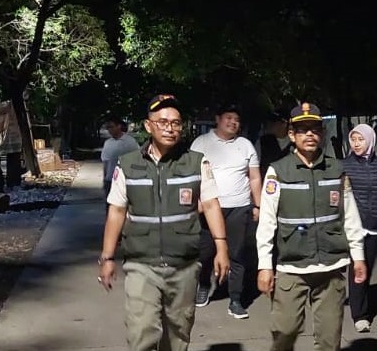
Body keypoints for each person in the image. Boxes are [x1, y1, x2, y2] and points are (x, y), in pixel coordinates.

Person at [98, 94, 230, 351]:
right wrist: (107, 257)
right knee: (141, 333)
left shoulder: (197, 162)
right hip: (141, 264)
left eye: (176, 123)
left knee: (178, 335)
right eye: (163, 122)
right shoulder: (128, 165)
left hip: (184, 266)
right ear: (148, 126)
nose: (170, 128)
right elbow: (116, 211)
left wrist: (221, 247)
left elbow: (211, 205)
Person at [256, 102, 367, 351]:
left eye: (315, 129)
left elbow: (350, 215)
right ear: (291, 135)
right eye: (302, 129)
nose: (309, 134)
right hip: (291, 267)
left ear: (322, 133)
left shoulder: (337, 169)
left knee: (329, 340)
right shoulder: (278, 171)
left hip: (331, 266)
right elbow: (267, 222)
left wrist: (358, 256)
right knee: (284, 333)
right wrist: (264, 265)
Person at [190, 103, 261, 318]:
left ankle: (236, 299)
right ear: (218, 119)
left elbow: (254, 177)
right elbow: (191, 175)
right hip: (208, 208)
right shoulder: (201, 143)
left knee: (237, 254)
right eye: (229, 118)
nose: (233, 123)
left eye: (237, 120)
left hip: (239, 207)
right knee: (205, 252)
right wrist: (196, 202)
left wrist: (258, 205)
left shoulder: (245, 145)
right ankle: (204, 284)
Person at [342, 123, 377, 333]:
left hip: (374, 226)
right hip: (351, 227)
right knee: (355, 269)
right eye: (353, 140)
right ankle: (360, 315)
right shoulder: (344, 166)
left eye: (360, 139)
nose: (356, 144)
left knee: (366, 269)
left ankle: (359, 305)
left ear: (370, 141)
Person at [100, 116, 139, 199]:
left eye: (111, 127)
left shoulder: (130, 142)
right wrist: (105, 179)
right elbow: (105, 163)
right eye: (108, 128)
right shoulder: (108, 143)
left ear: (119, 126)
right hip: (110, 180)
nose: (110, 130)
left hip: (126, 180)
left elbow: (138, 159)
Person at [256, 110, 293, 176]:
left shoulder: (295, 143)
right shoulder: (262, 142)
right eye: (268, 121)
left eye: (273, 122)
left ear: (284, 124)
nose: (268, 124)